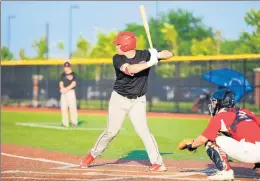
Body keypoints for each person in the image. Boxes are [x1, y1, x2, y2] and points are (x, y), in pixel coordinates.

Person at [80, 31, 173, 172]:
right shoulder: (117, 58)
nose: (116, 46)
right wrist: (150, 62)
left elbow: (170, 54)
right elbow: (131, 69)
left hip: (138, 101)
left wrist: (158, 54)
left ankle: (158, 162)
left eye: (118, 43)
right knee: (111, 131)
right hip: (119, 99)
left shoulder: (145, 54)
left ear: (126, 45)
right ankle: (92, 154)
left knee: (144, 131)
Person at [181, 88, 260, 180]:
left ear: (221, 102)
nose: (213, 104)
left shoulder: (220, 116)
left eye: (214, 101)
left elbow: (203, 139)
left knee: (211, 140)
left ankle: (225, 171)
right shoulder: (247, 112)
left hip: (249, 152)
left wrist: (191, 145)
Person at [59, 61, 78, 127]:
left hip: (70, 92)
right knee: (63, 107)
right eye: (65, 67)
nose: (66, 68)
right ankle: (65, 123)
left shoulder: (73, 74)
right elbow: (61, 82)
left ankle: (74, 122)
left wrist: (66, 89)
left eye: (67, 66)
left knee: (72, 107)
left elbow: (73, 84)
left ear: (70, 67)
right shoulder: (62, 75)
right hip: (63, 93)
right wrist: (62, 88)